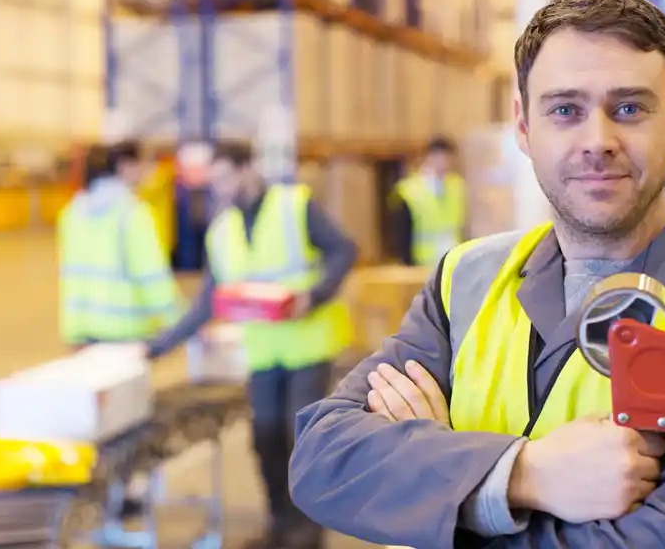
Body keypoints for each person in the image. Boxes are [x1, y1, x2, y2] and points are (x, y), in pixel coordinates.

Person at [288, 0, 665, 549]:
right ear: (525, 127)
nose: (597, 141)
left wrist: (440, 490)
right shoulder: (468, 279)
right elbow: (324, 459)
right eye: (565, 110)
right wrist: (526, 475)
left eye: (628, 108)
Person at [146, 140, 357, 549]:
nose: (221, 189)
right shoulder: (222, 230)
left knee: (299, 439)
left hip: (307, 345)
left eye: (226, 177)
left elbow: (343, 250)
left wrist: (312, 296)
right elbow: (208, 300)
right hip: (262, 351)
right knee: (264, 436)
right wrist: (158, 347)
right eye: (213, 182)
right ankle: (280, 524)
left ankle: (307, 531)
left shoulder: (294, 205)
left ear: (248, 169)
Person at [58, 140, 182, 348]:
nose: (147, 171)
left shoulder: (72, 213)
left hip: (81, 331)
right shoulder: (132, 213)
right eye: (143, 164)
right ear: (125, 166)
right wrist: (177, 322)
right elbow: (151, 276)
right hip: (126, 332)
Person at [390, 136, 466, 267]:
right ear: (429, 158)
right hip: (422, 264)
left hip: (453, 262)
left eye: (448, 158)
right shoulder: (409, 191)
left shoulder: (457, 187)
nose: (444, 163)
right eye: (440, 157)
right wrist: (407, 264)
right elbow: (401, 234)